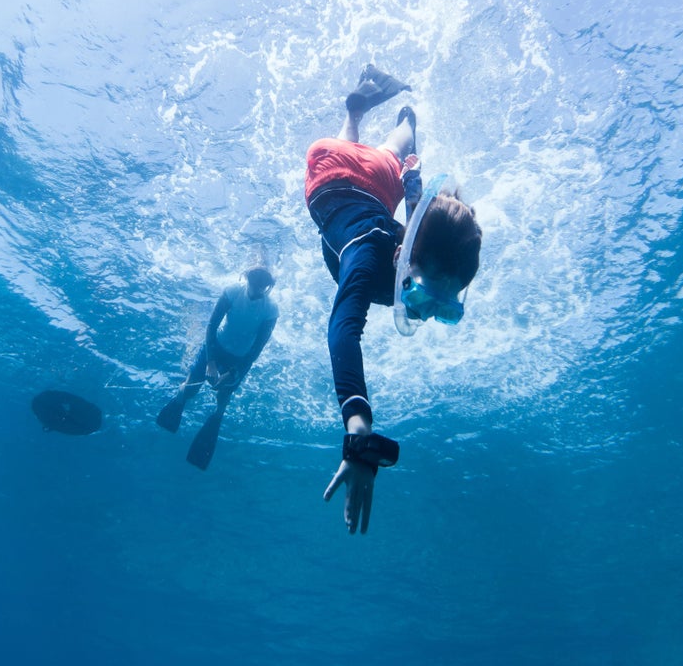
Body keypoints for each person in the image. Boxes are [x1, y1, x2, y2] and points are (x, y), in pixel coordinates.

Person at [305, 64, 482, 533]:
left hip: (380, 185)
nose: (423, 315)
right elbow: (343, 329)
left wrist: (412, 173)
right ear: (403, 257)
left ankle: (388, 115)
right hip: (331, 175)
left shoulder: (413, 243)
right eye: (425, 299)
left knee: (397, 150)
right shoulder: (366, 256)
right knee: (361, 148)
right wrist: (357, 425)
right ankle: (372, 113)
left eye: (443, 310)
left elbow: (415, 207)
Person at [156, 266, 279, 470]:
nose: (257, 291)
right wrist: (211, 363)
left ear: (268, 288)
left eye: (262, 288)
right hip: (216, 345)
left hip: (240, 358)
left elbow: (258, 347)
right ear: (247, 279)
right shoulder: (232, 292)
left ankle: (218, 416)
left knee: (223, 397)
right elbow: (212, 325)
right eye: (254, 286)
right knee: (191, 389)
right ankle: (179, 398)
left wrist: (232, 372)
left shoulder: (271, 310)